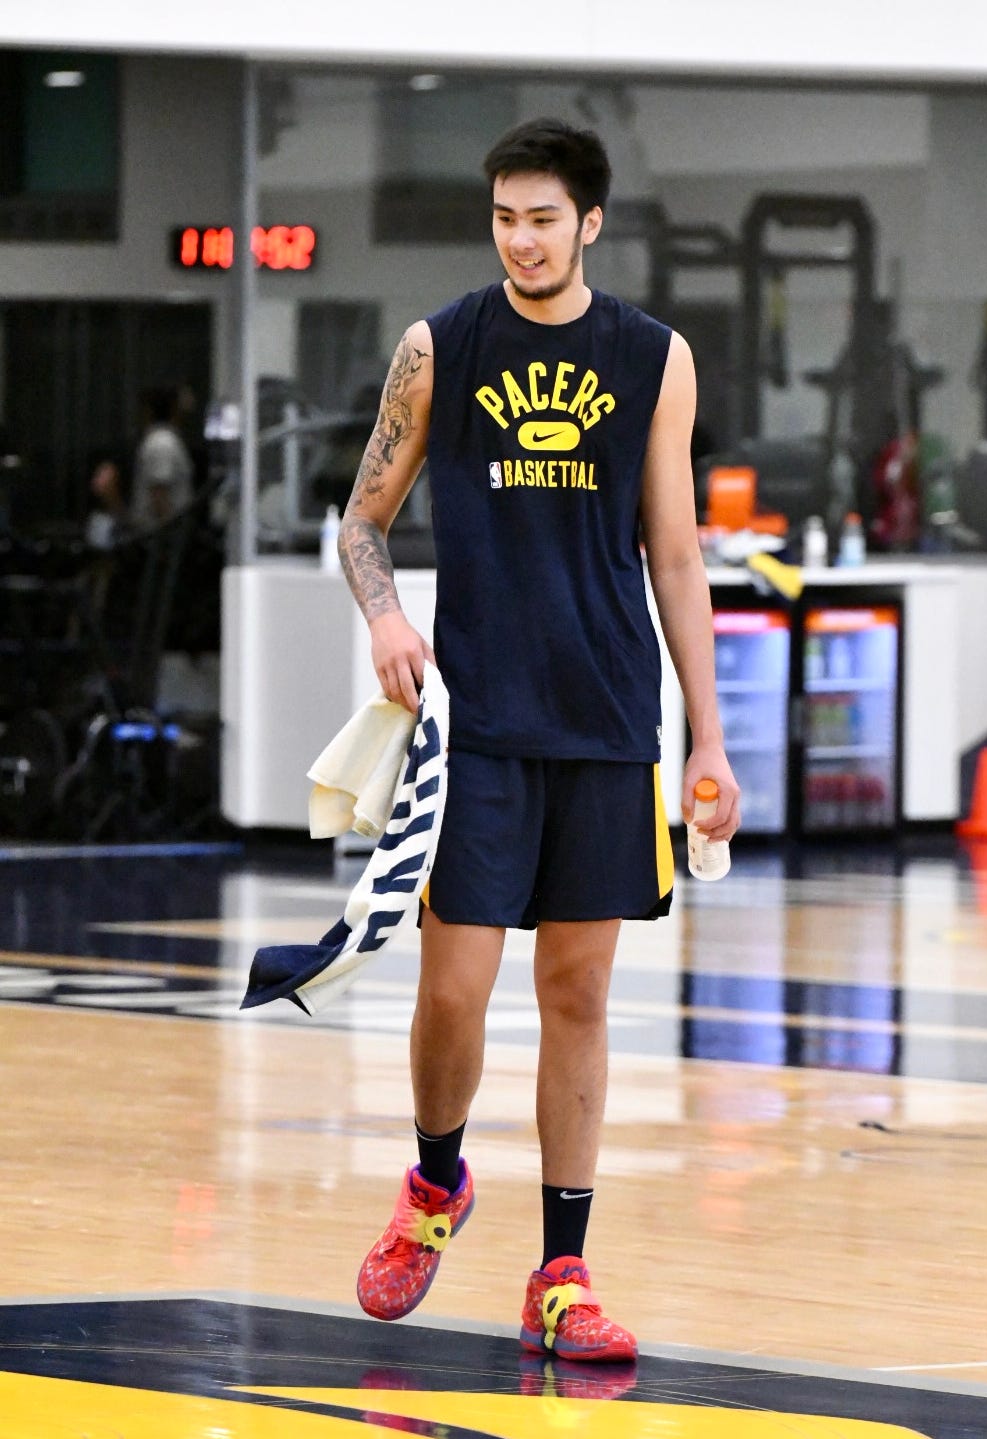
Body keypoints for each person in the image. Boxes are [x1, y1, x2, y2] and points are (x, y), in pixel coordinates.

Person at [337, 117, 740, 1363]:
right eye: (505, 216)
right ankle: (435, 1181)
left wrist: (707, 740)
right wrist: (388, 611)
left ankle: (560, 1273)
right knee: (451, 991)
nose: (521, 238)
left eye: (543, 218)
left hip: (611, 715)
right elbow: (361, 520)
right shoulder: (440, 346)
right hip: (478, 724)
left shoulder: (650, 358)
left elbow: (673, 551)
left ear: (590, 224)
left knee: (578, 994)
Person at [130, 386, 194, 530]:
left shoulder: (164, 440)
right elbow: (159, 493)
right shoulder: (163, 442)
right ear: (174, 408)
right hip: (160, 536)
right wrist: (168, 535)